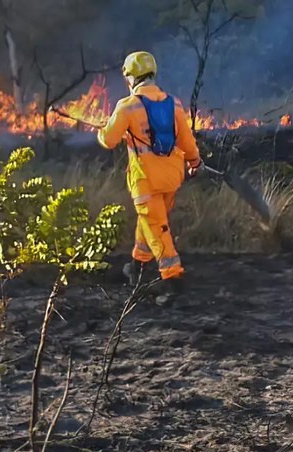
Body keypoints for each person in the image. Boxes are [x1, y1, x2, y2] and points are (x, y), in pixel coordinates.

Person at [97, 51, 203, 303]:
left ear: (131, 78)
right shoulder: (173, 103)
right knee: (152, 220)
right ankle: (137, 266)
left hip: (146, 180)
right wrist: (195, 161)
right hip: (172, 176)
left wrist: (102, 132)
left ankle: (173, 279)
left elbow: (109, 140)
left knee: (157, 226)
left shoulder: (128, 106)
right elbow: (186, 140)